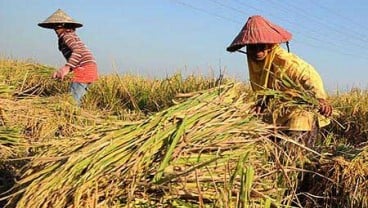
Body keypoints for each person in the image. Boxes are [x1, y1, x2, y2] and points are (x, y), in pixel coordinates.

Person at [226, 15, 332, 147]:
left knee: (296, 159)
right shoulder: (256, 63)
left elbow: (309, 76)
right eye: (252, 46)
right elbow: (269, 89)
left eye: (261, 45)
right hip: (278, 117)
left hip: (299, 117)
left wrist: (320, 98)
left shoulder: (285, 61)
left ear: (269, 45)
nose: (257, 50)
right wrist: (262, 103)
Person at [38, 9, 98, 105]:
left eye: (56, 26)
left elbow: (77, 50)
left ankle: (73, 117)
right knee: (76, 100)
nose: (55, 29)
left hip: (83, 69)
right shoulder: (69, 35)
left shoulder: (67, 36)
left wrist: (66, 68)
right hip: (88, 68)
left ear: (62, 25)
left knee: (71, 103)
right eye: (54, 26)